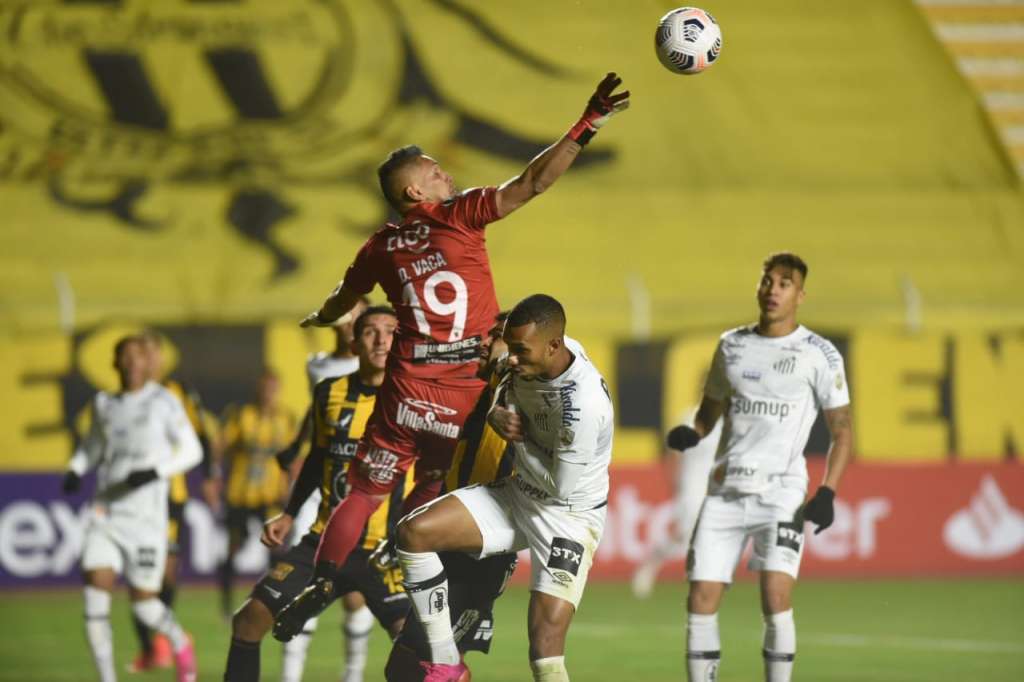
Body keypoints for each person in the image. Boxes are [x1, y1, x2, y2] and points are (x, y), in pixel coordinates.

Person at [272, 73, 630, 644]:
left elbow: (345, 300)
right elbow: (534, 181)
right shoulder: (460, 214)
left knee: (364, 491)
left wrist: (323, 316)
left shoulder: (379, 246)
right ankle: (464, 602)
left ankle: (325, 575)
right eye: (433, 170)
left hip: (406, 392)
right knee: (459, 484)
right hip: (467, 391)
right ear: (416, 193)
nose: (445, 172)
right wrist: (587, 124)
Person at [394, 294, 614, 681]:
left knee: (544, 647)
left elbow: (560, 488)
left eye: (520, 351)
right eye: (509, 347)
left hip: (568, 517)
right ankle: (445, 660)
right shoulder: (530, 356)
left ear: (553, 346)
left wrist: (521, 440)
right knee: (414, 533)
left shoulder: (583, 406)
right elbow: (502, 377)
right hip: (519, 494)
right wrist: (496, 410)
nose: (511, 358)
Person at [677, 253, 853, 682]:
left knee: (775, 597)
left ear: (800, 295)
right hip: (724, 491)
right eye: (767, 281)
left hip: (781, 493)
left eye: (785, 283)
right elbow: (709, 411)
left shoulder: (819, 354)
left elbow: (842, 429)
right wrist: (694, 433)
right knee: (701, 597)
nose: (773, 289)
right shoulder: (731, 345)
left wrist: (828, 491)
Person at [223, 307, 412, 682]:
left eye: (390, 332)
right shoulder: (329, 392)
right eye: (370, 332)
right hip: (322, 543)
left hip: (382, 550)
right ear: (354, 342)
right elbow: (318, 457)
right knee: (248, 620)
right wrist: (291, 513)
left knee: (418, 655)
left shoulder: (414, 399)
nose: (380, 340)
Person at [383, 311, 518, 681]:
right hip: (449, 542)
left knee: (428, 668)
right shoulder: (483, 395)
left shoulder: (525, 390)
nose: (485, 342)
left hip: (479, 554)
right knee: (403, 668)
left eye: (495, 336)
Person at [62, 335, 203, 682]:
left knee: (144, 604)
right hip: (106, 513)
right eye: (123, 356)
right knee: (95, 593)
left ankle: (179, 641)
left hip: (146, 519)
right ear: (114, 363)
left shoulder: (164, 401)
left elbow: (192, 451)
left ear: (147, 363)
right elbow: (93, 446)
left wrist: (154, 472)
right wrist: (76, 468)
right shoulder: (104, 403)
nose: (130, 362)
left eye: (136, 356)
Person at [128, 329, 218, 673]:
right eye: (142, 354)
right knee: (137, 578)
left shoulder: (176, 393)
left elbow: (202, 438)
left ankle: (165, 639)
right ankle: (153, 644)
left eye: (153, 354)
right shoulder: (122, 398)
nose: (148, 361)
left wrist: (209, 477)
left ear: (161, 359)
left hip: (168, 497)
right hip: (132, 500)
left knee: (162, 576)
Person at [218, 369, 298, 617]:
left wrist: (291, 488)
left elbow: (295, 458)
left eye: (272, 388)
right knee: (233, 548)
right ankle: (226, 605)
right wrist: (213, 477)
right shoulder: (241, 415)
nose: (268, 393)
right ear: (257, 390)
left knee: (275, 550)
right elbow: (220, 446)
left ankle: (273, 602)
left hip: (272, 495)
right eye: (264, 388)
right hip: (240, 494)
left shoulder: (287, 418)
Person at [631, 403, 722, 599]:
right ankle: (651, 563)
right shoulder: (691, 418)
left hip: (715, 489)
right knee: (683, 535)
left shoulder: (726, 422)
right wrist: (676, 484)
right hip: (692, 487)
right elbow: (674, 453)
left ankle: (704, 582)